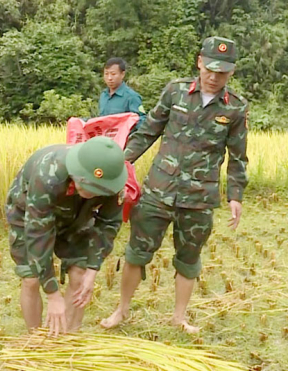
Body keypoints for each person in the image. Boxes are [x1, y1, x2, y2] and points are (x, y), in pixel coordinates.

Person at [100, 37, 248, 334]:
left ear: (231, 72)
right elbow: (147, 130)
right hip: (159, 189)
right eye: (210, 68)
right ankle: (122, 310)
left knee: (189, 259)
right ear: (199, 62)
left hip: (199, 197)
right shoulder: (175, 91)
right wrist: (120, 161)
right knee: (136, 252)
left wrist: (235, 195)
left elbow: (238, 156)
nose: (214, 76)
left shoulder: (235, 108)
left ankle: (179, 318)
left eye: (222, 72)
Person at [5, 136, 128, 336]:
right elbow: (38, 234)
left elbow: (109, 224)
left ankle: (68, 337)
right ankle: (36, 340)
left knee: (79, 273)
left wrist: (92, 268)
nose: (90, 191)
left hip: (77, 215)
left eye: (97, 189)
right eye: (86, 184)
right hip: (30, 212)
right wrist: (53, 294)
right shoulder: (48, 174)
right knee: (31, 279)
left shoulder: (113, 183)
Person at [99, 57, 146, 129]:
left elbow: (141, 121)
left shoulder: (131, 96)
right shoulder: (104, 95)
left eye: (113, 74)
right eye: (106, 74)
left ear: (122, 74)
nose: (109, 78)